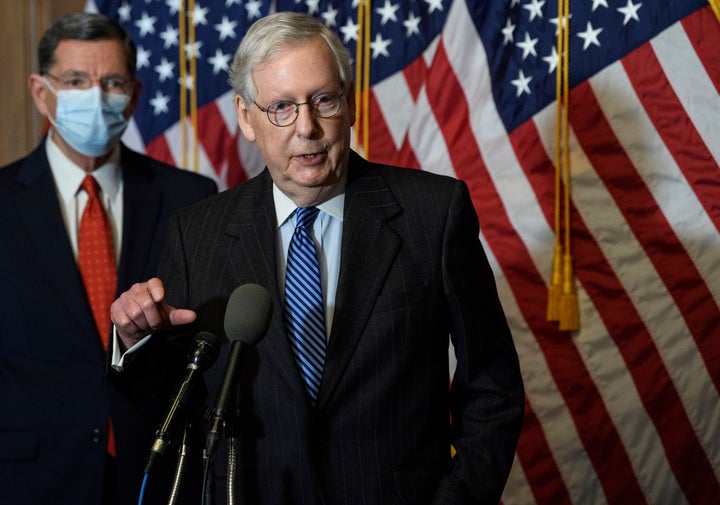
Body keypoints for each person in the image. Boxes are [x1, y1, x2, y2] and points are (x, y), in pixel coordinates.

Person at [110, 11, 524, 505]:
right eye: (281, 107)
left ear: (348, 106)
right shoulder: (196, 233)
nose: (306, 127)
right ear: (246, 117)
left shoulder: (432, 214)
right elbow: (172, 408)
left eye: (323, 100)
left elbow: (493, 388)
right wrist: (134, 343)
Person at [0, 12, 217, 505]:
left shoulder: (191, 197)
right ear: (41, 92)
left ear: (135, 94)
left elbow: (202, 349)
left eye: (112, 82)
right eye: (76, 81)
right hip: (26, 479)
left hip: (157, 472)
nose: (95, 97)